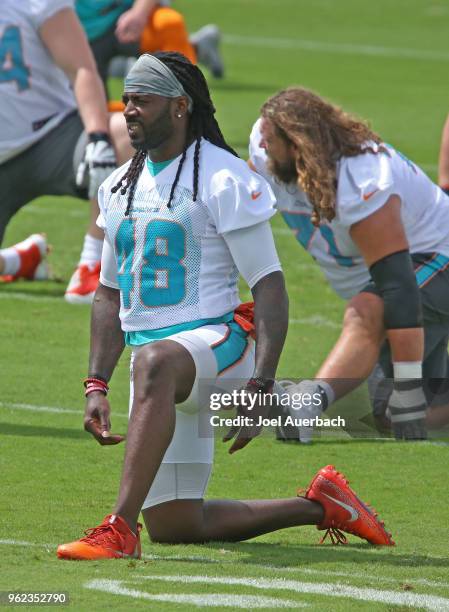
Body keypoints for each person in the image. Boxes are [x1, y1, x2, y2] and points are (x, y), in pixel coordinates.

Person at [56, 53, 393, 559]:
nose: (128, 110)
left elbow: (270, 286)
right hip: (160, 378)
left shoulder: (222, 176)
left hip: (218, 349)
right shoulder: (119, 185)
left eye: (142, 101)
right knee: (177, 524)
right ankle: (322, 506)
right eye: (126, 100)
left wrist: (259, 385)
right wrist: (96, 382)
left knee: (155, 362)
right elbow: (108, 293)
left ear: (179, 106)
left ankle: (119, 529)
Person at [251, 87, 449, 441]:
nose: (261, 148)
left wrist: (407, 385)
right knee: (380, 412)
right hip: (402, 278)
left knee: (368, 311)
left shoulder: (363, 181)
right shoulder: (268, 149)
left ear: (297, 146)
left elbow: (398, 288)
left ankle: (305, 404)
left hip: (439, 257)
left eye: (270, 142)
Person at [0, 0, 134, 302]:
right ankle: (19, 260)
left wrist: (98, 136)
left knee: (125, 134)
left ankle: (93, 264)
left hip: (52, 138)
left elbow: (82, 68)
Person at [76, 0, 224, 94]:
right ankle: (199, 48)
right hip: (77, 31)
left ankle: (188, 108)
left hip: (130, 15)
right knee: (85, 110)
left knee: (169, 24)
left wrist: (139, 12)